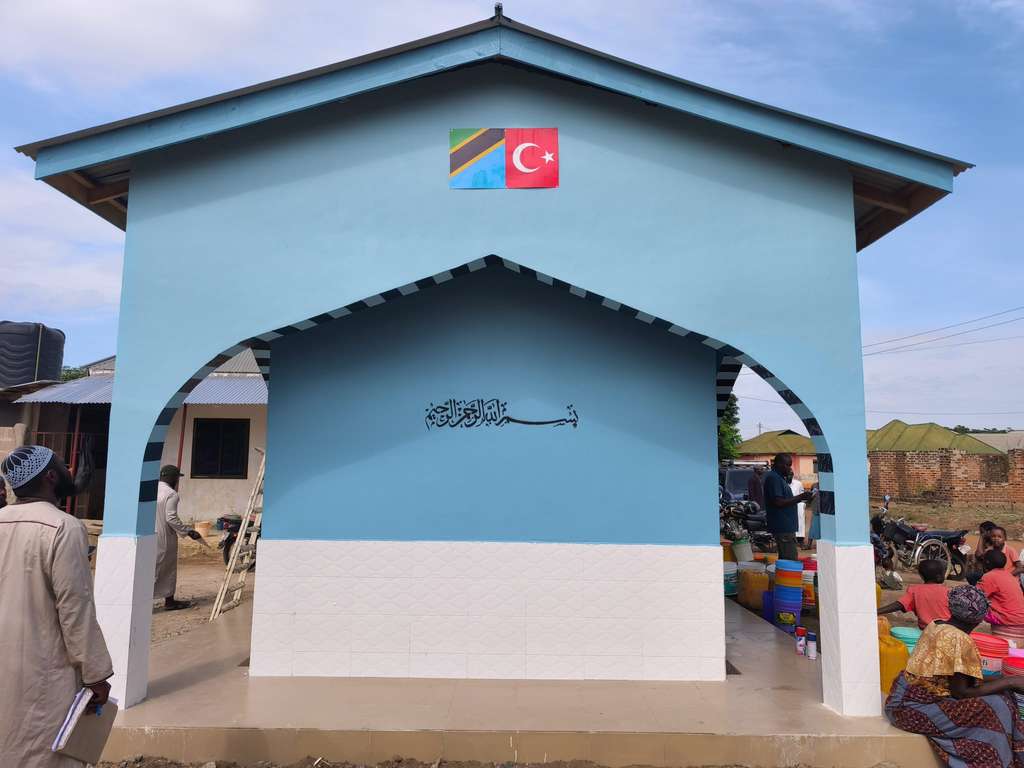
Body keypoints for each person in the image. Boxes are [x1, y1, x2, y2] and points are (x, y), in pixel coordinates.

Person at [0, 445, 113, 768]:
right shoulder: (63, 527)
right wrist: (95, 673)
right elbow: (75, 607)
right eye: (63, 465)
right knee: (43, 751)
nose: (69, 470)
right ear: (50, 476)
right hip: (43, 669)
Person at [886, 585, 1024, 767]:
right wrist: (1010, 681)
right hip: (914, 709)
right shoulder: (959, 639)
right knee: (998, 706)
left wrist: (1004, 680)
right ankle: (996, 761)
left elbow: (956, 678)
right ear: (979, 618)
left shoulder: (937, 625)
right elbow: (962, 692)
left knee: (1003, 695)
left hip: (901, 700)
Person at [154, 464, 203, 611]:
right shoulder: (172, 494)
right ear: (174, 478)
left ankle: (144, 600)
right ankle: (169, 602)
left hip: (149, 536)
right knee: (166, 569)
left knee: (150, 568)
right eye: (177, 478)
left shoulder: (151, 490)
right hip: (164, 537)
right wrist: (188, 531)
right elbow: (171, 518)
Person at [763, 453, 813, 562]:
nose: (789, 468)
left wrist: (803, 498)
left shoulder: (779, 478)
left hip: (786, 526)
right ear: (779, 464)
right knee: (790, 560)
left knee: (786, 560)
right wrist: (801, 497)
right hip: (783, 526)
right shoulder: (774, 478)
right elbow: (779, 502)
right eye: (788, 465)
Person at [878, 559, 951, 629]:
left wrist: (877, 611)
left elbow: (899, 605)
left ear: (921, 576)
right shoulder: (949, 591)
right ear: (939, 576)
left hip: (926, 631)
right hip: (949, 630)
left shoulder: (915, 591)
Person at [979, 550, 1024, 628]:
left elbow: (974, 596)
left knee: (969, 605)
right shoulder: (1010, 576)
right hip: (1020, 619)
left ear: (986, 562)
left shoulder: (990, 576)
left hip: (1008, 620)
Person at [787, 468, 806, 546]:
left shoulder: (798, 483)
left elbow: (802, 494)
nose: (790, 476)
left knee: (800, 522)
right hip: (786, 505)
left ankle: (800, 540)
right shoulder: (782, 483)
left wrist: (803, 504)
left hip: (798, 506)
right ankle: (790, 540)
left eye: (791, 474)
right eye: (788, 474)